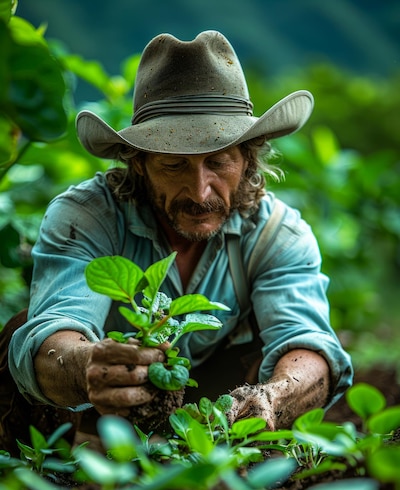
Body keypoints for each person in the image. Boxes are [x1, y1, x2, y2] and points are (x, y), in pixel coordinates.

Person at [1, 30, 353, 452]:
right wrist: (90, 368)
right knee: (20, 331)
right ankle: (67, 456)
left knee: (270, 351)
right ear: (140, 165)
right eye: (173, 165)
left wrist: (273, 398)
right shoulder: (87, 217)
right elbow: (54, 330)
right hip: (94, 406)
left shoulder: (278, 233)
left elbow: (308, 343)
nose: (200, 191)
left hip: (219, 413)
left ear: (247, 158)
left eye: (218, 162)